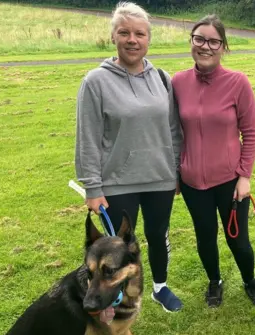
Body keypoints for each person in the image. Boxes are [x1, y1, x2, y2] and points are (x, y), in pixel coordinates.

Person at [75, 2, 183, 312]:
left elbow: (174, 130)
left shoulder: (162, 79)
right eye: (124, 32)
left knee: (157, 235)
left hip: (160, 179)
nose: (132, 40)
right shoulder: (95, 81)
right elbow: (88, 138)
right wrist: (93, 188)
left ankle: (160, 288)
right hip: (118, 183)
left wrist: (175, 171)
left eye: (139, 33)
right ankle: (116, 298)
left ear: (149, 39)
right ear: (113, 37)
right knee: (116, 249)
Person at [172, 14, 255, 308]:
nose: (206, 46)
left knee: (238, 240)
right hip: (191, 183)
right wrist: (176, 172)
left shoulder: (238, 83)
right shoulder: (177, 82)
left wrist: (245, 175)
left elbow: (250, 132)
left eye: (213, 41)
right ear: (191, 43)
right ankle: (215, 281)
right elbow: (173, 132)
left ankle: (249, 280)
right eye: (199, 39)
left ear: (223, 46)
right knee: (205, 238)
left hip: (229, 182)